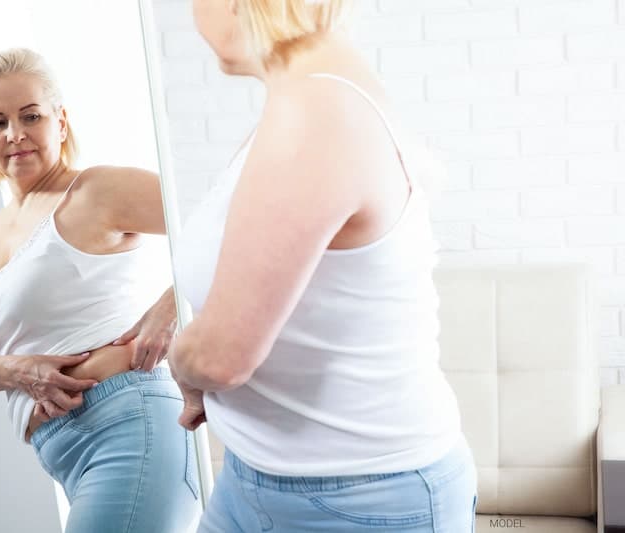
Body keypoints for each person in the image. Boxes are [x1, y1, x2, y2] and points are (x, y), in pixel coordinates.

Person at [168, 1, 478, 531]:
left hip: (365, 498)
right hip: (253, 476)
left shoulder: (316, 107)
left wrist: (184, 362)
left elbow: (221, 359)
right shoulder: (306, 93)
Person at [0, 47, 198, 533]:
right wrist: (15, 369)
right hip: (60, 448)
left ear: (60, 123)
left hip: (130, 422)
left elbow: (230, 223)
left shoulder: (95, 192)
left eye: (31, 116)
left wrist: (172, 306)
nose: (15, 134)